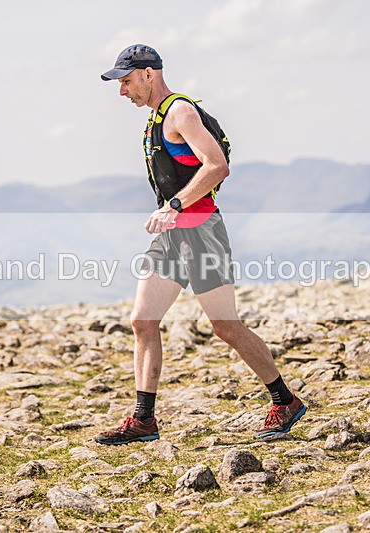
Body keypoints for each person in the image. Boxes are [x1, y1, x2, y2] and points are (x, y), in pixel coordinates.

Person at [94, 44, 306, 444]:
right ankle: (144, 420)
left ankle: (285, 400)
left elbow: (217, 166)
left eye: (125, 81)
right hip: (171, 236)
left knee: (226, 326)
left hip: (202, 232)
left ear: (148, 74)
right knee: (142, 321)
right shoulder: (155, 119)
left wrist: (174, 205)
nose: (122, 91)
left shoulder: (180, 112)